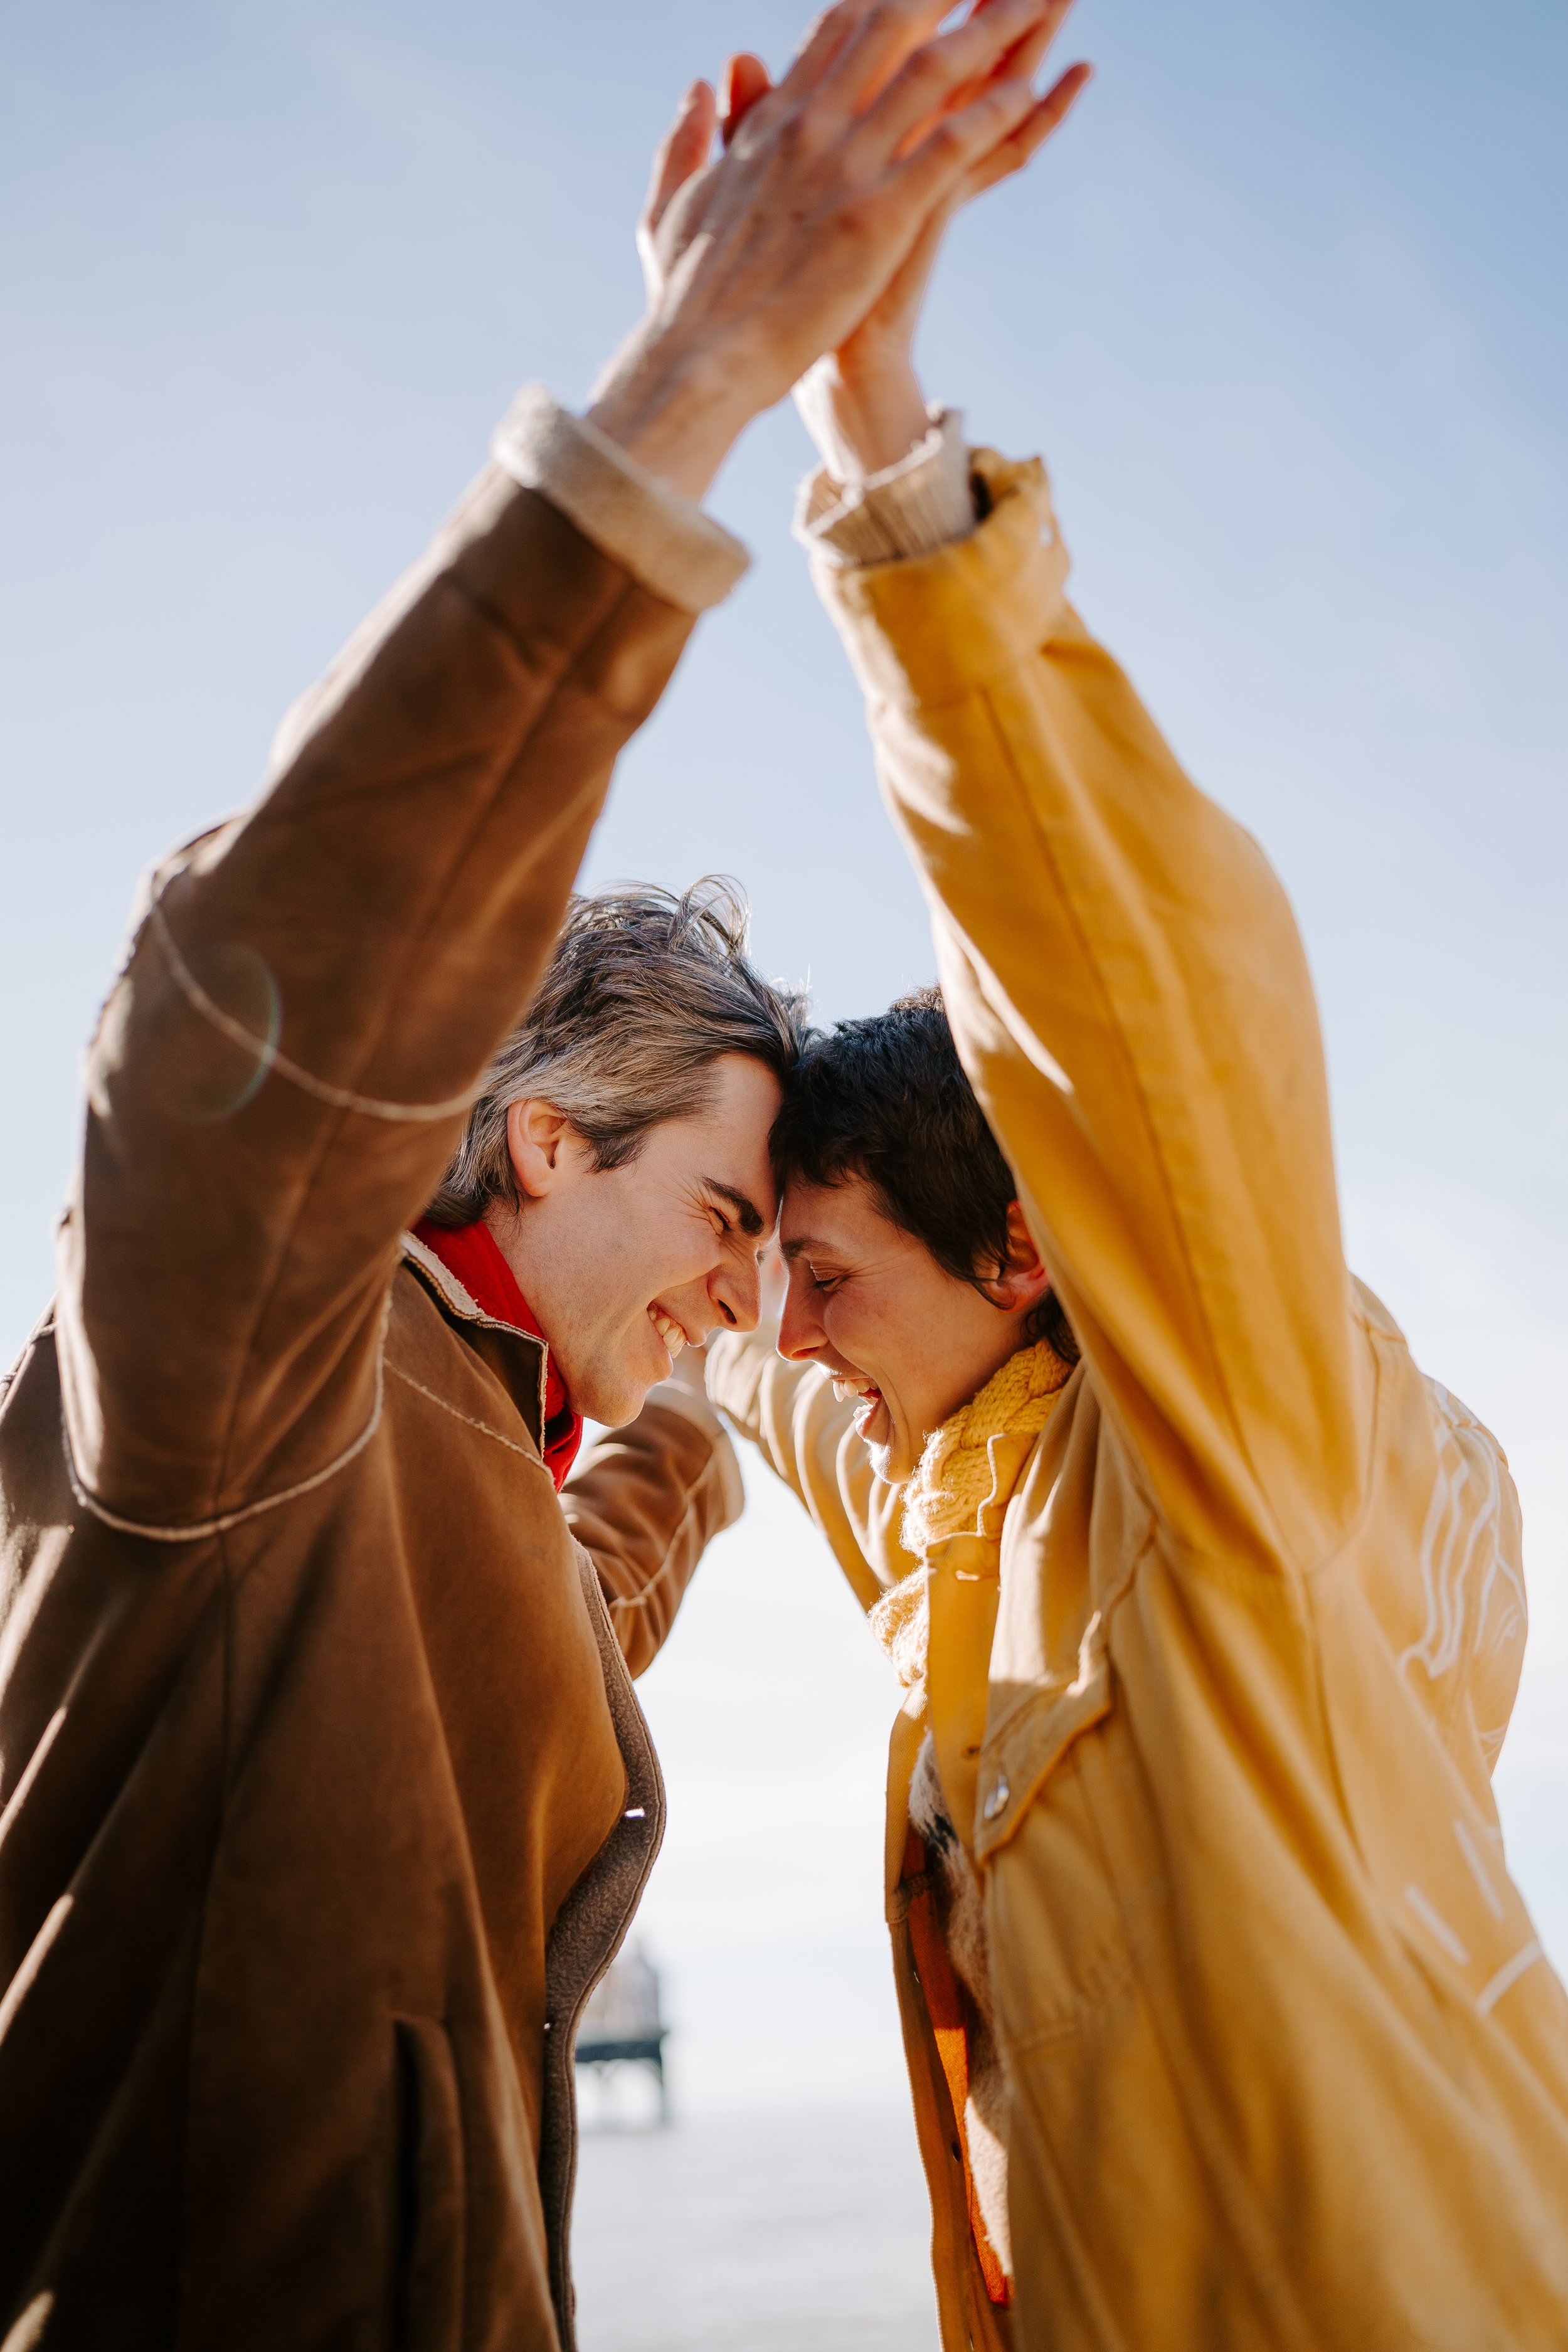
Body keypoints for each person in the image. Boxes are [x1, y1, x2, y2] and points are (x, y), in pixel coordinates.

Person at [0, 5, 1083, 2343]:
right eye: (721, 1226)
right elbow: (244, 1003)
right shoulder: (256, 1363)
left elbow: (587, 1562)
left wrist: (743, 1381)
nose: (744, 1292)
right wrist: (699, 366)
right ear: (535, 1132)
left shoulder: (496, 1436)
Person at [699, 36, 1568, 2352]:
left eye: (818, 1273)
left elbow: (1130, 1006)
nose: (781, 1330)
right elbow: (710, 1351)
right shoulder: (932, 1499)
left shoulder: (1227, 1451)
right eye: (765, 1273)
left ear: (1020, 1250)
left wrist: (882, 466)